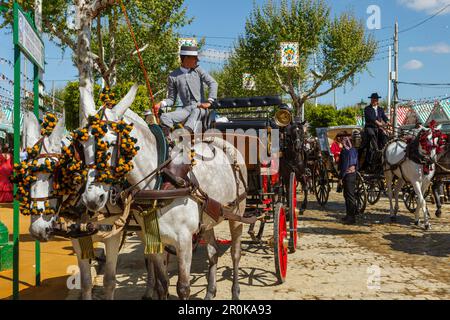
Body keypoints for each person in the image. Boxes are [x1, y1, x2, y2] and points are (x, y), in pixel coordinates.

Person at [144, 45, 218, 135]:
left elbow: (213, 83)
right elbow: (171, 99)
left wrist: (210, 101)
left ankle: (184, 134)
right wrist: (161, 104)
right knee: (164, 117)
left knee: (196, 111)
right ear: (186, 58)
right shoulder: (173, 76)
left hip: (200, 108)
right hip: (186, 110)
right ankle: (169, 140)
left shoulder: (198, 70)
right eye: (195, 58)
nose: (197, 60)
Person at [338, 135, 359, 224]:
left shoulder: (344, 151)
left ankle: (351, 217)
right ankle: (349, 215)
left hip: (347, 175)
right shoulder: (354, 150)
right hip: (353, 174)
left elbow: (343, 165)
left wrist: (340, 177)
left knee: (348, 196)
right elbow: (357, 163)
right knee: (349, 195)